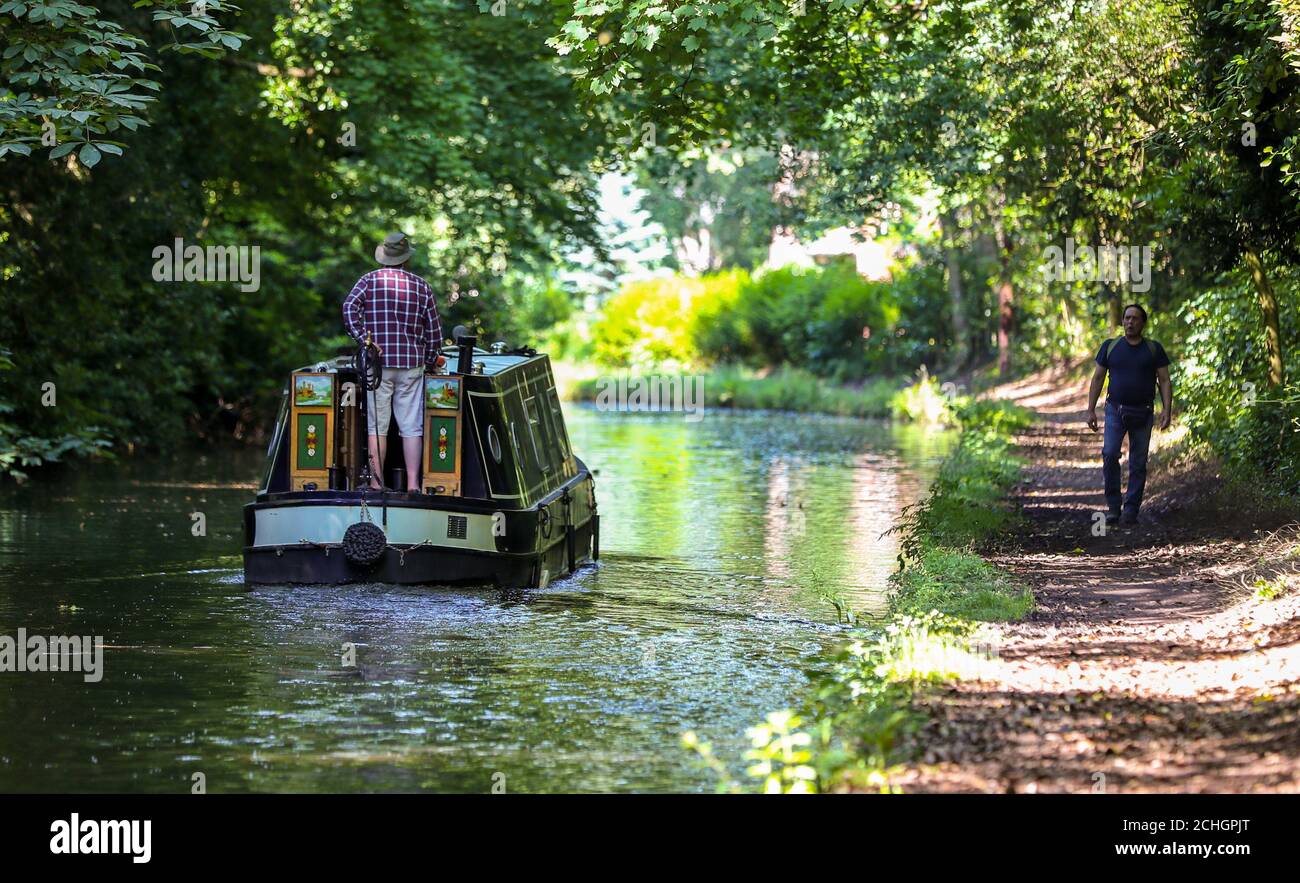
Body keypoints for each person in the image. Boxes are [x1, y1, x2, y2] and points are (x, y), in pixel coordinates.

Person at [342, 232, 444, 491]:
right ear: (405, 259)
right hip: (411, 364)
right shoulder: (422, 286)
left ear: (383, 257)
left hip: (378, 365)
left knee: (377, 426)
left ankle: (377, 485)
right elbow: (434, 332)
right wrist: (431, 361)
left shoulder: (369, 280)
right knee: (411, 427)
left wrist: (363, 340)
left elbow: (348, 307)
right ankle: (413, 485)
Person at [1085, 303, 1173, 526]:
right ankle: (1114, 507)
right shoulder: (1110, 347)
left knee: (1138, 462)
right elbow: (1097, 378)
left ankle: (1131, 510)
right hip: (1115, 410)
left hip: (1144, 412)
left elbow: (1164, 380)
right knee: (1109, 453)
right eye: (1126, 318)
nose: (1130, 322)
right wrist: (1090, 409)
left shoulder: (1154, 349)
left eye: (1135, 318)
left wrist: (1167, 410)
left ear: (1143, 323)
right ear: (1122, 321)